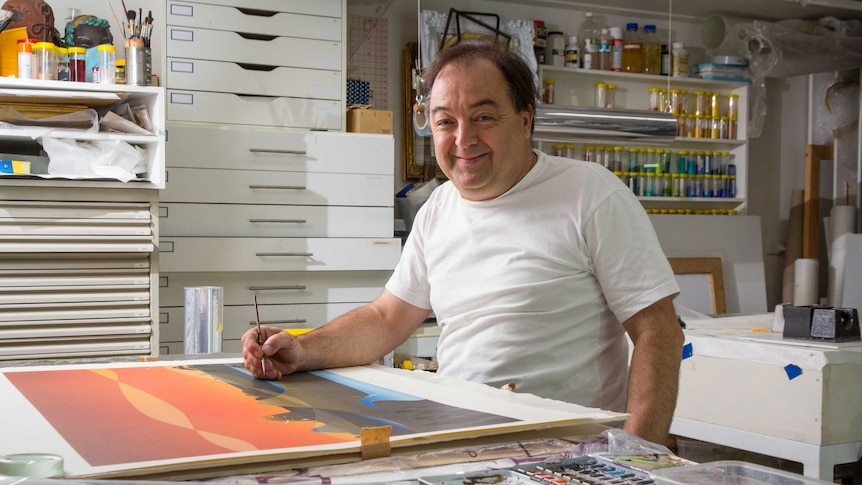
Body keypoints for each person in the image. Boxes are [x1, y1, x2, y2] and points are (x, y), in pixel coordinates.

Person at [243, 42, 684, 445]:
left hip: (566, 449)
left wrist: (638, 451)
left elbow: (657, 330)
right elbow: (386, 318)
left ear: (526, 119)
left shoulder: (591, 194)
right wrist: (301, 351)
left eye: (484, 117)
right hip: (459, 438)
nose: (463, 139)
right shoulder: (439, 208)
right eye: (445, 122)